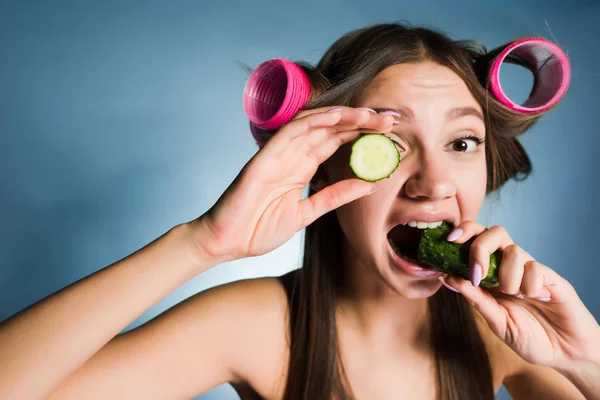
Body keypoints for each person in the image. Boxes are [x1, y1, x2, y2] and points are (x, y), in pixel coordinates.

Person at [0, 23, 599, 400]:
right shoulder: (257, 326)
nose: (433, 182)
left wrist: (585, 357)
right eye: (388, 146)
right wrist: (200, 244)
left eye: (462, 143)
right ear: (326, 163)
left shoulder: (503, 338)